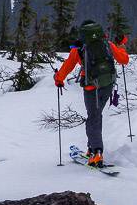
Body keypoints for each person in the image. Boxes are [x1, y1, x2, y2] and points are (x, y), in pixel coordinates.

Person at [54, 20, 129, 167]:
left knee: (93, 117)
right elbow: (124, 60)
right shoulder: (107, 44)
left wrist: (58, 79)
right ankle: (91, 149)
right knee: (95, 115)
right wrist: (122, 48)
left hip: (91, 88)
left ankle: (96, 153)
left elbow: (67, 66)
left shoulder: (79, 48)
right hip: (107, 85)